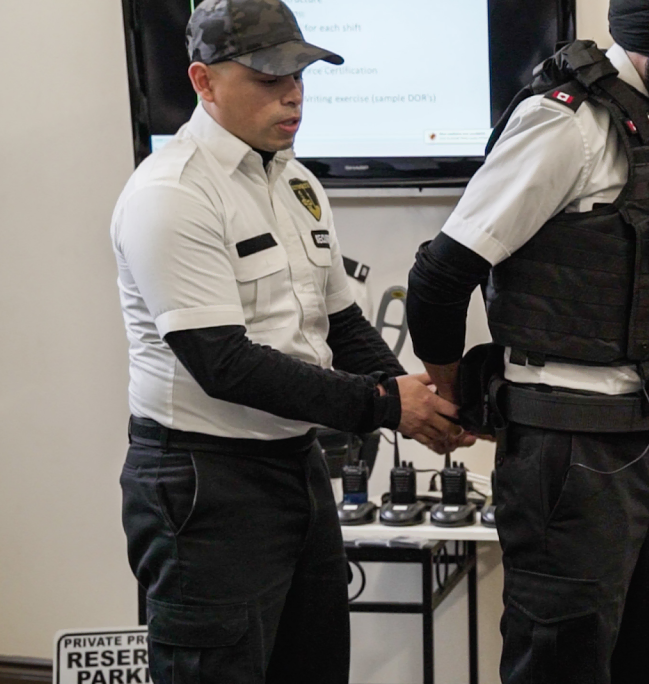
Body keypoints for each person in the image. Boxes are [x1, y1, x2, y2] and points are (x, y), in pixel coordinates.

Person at [406, 1, 649, 682]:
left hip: (645, 432)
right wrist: (454, 392)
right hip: (567, 448)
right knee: (562, 663)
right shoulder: (563, 126)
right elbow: (439, 276)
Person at [110, 0, 466, 681]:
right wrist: (390, 406)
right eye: (269, 79)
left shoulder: (297, 181)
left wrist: (421, 400)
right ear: (203, 82)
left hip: (294, 466)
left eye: (300, 75)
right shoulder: (173, 192)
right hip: (201, 480)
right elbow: (225, 365)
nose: (293, 95)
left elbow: (339, 323)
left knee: (315, 665)